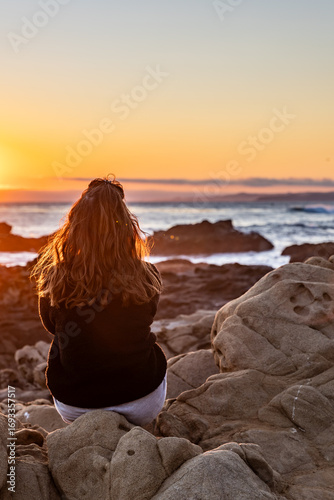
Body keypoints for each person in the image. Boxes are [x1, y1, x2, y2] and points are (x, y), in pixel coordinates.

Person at [31, 175, 167, 426]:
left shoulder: (56, 275)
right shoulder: (146, 273)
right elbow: (147, 317)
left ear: (75, 227)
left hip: (77, 405)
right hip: (141, 400)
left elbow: (52, 327)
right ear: (127, 225)